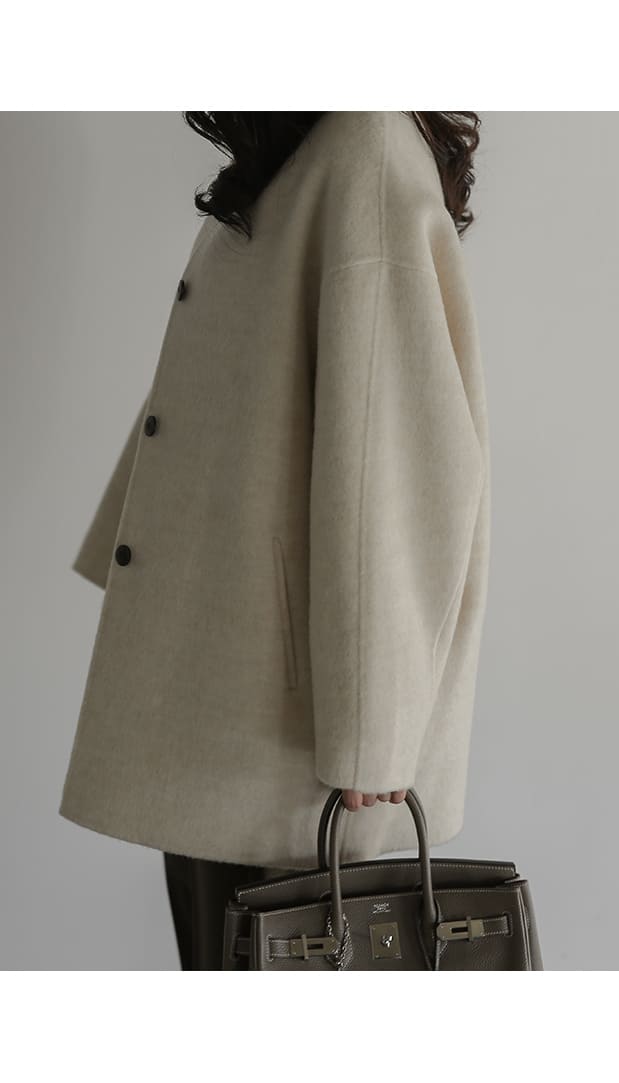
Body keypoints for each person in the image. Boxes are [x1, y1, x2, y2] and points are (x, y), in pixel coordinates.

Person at [59, 111, 491, 970]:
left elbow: (394, 454)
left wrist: (374, 729)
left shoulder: (365, 151)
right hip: (230, 691)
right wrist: (135, 549)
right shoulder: (311, 148)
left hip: (295, 743)